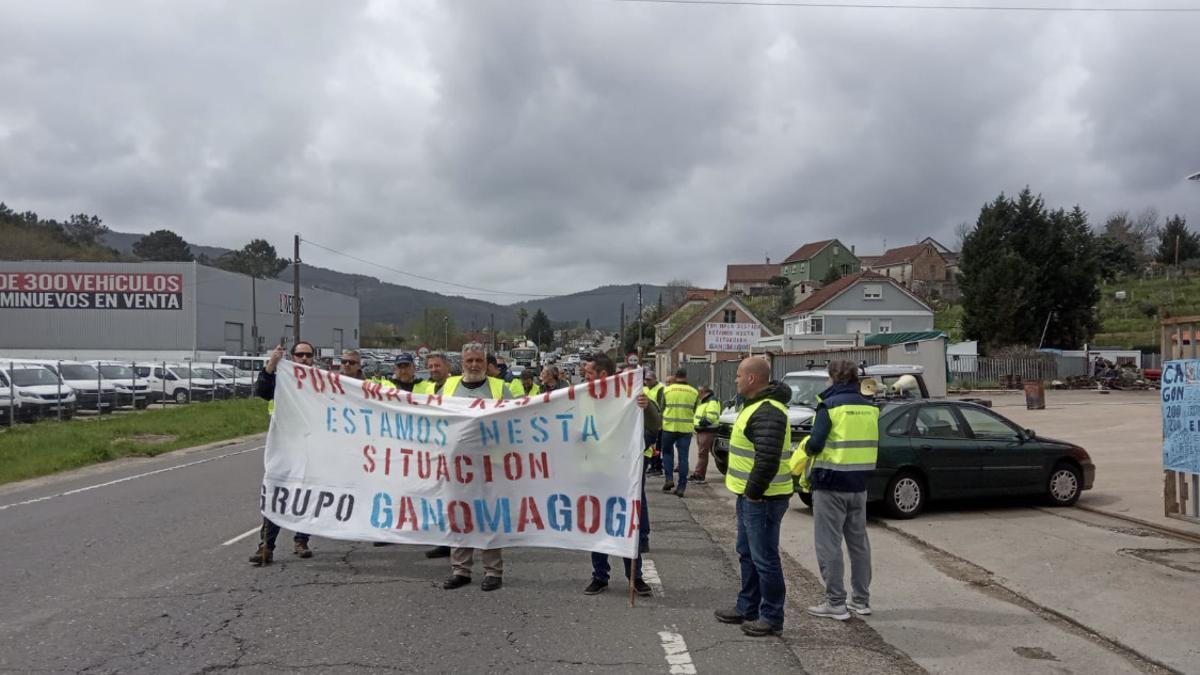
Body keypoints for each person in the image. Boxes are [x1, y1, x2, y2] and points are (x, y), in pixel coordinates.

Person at [714, 357, 793, 637]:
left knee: (764, 558)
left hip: (763, 499)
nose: (735, 380)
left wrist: (754, 493)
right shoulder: (755, 407)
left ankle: (771, 616)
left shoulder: (768, 411)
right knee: (747, 553)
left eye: (737, 376)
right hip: (751, 497)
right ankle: (747, 606)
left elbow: (768, 458)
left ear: (750, 379)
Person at [801, 360, 878, 621]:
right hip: (860, 484)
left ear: (833, 378)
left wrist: (805, 449)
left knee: (829, 544)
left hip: (831, 482)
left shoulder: (829, 406)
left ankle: (835, 602)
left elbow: (815, 443)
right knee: (859, 544)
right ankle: (861, 600)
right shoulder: (870, 407)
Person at [582, 353, 653, 597]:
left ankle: (635, 576)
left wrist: (647, 406)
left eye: (589, 373)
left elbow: (656, 424)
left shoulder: (629, 395)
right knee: (597, 524)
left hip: (624, 472)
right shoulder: (582, 397)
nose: (585, 377)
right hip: (596, 471)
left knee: (626, 522)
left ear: (602, 375)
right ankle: (599, 576)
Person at [441, 343, 509, 591]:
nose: (473, 365)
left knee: (490, 516)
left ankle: (493, 571)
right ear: (462, 362)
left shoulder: (500, 388)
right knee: (459, 516)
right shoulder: (448, 386)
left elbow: (519, 418)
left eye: (478, 360)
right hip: (456, 466)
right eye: (469, 360)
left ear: (485, 362)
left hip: (491, 466)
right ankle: (461, 570)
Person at [248, 341, 317, 565]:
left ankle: (301, 540)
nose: (304, 359)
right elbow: (262, 391)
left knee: (306, 495)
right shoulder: (281, 379)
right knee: (276, 492)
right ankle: (266, 546)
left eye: (308, 355)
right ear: (293, 356)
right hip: (284, 447)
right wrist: (272, 364)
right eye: (300, 355)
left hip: (309, 447)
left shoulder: (319, 383)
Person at [660, 368, 699, 497]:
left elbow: (662, 408)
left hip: (669, 427)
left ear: (676, 377)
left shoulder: (667, 390)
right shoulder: (694, 392)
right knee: (683, 458)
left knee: (667, 453)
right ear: (686, 377)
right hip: (685, 429)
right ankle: (681, 487)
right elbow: (695, 409)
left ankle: (669, 479)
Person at [690, 385, 721, 484]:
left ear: (703, 391)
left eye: (698, 391)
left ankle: (699, 475)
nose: (697, 394)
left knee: (702, 454)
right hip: (702, 430)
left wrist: (706, 421)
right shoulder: (704, 401)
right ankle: (699, 474)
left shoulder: (712, 401)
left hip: (707, 431)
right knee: (704, 453)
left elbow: (712, 415)